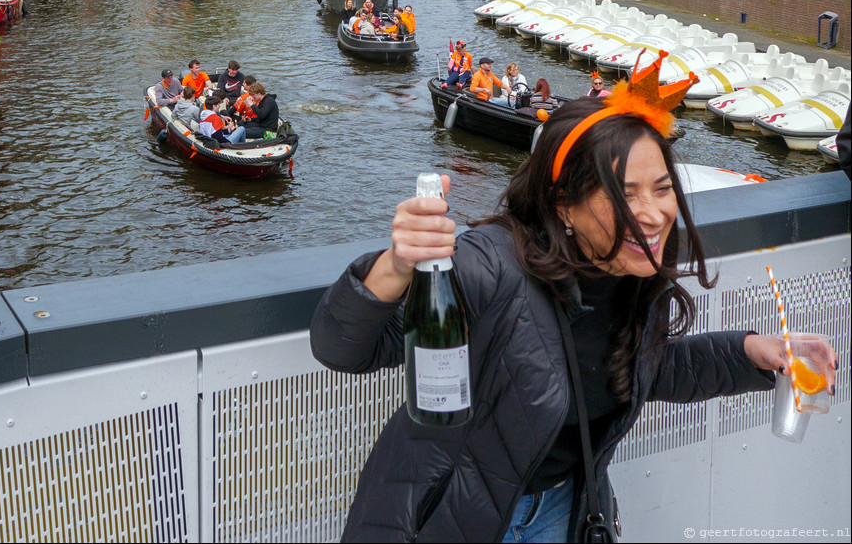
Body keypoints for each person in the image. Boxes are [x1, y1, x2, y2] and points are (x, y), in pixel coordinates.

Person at [308, 51, 833, 543]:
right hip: (445, 516)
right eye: (623, 194)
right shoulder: (489, 264)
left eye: (662, 187)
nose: (651, 214)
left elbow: (640, 370)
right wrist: (396, 265)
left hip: (565, 511)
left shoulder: (633, 277)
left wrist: (750, 353)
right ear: (564, 205)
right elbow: (344, 349)